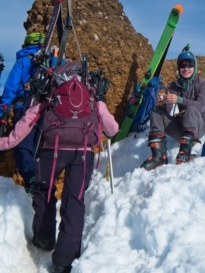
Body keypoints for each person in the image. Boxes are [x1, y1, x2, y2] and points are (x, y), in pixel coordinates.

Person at [0, 63, 119, 273]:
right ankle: (64, 259)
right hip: (83, 153)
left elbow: (25, 125)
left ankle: (44, 238)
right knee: (75, 201)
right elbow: (112, 129)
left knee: (44, 191)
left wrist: (5, 142)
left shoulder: (51, 94)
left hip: (52, 151)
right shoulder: (91, 96)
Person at [141, 45, 205, 170]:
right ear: (179, 68)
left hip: (197, 128)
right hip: (181, 128)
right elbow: (166, 111)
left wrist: (178, 99)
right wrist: (163, 102)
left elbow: (200, 107)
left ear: (195, 67)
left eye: (190, 65)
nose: (186, 68)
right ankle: (159, 156)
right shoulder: (174, 85)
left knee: (191, 109)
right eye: (183, 65)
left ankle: (185, 153)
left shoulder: (203, 84)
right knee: (156, 113)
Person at [0, 32, 46, 194]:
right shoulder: (51, 60)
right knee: (41, 147)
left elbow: (11, 88)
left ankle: (32, 179)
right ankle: (42, 179)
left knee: (22, 146)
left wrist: (3, 111)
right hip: (49, 111)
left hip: (26, 108)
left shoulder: (23, 61)